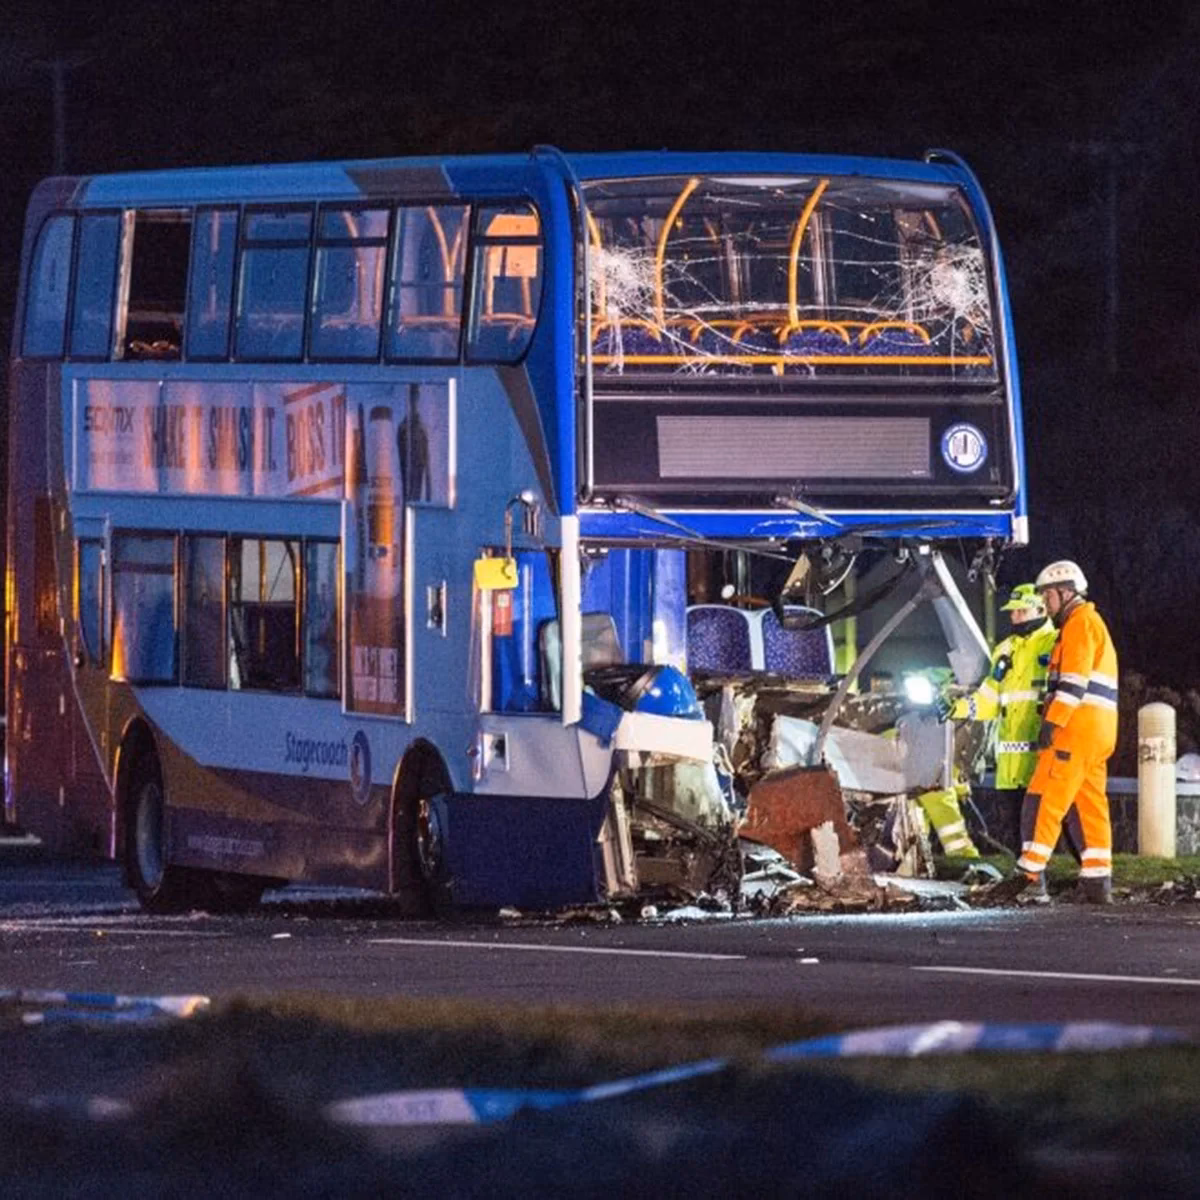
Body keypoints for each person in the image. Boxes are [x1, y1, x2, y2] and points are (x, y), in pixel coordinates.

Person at [946, 583, 1084, 861]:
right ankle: (1032, 879)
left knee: (1060, 822)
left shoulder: (1057, 642)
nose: (1015, 617)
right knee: (1020, 828)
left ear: (1040, 609)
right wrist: (956, 709)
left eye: (1021, 611)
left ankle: (1078, 873)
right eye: (1012, 612)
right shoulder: (1005, 649)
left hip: (1044, 754)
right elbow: (989, 696)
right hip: (1011, 763)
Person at [1013, 560, 1119, 904]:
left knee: (1043, 798)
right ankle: (1097, 881)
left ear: (1066, 592)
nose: (1045, 603)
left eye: (1048, 596)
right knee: (1090, 804)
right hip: (1099, 732)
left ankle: (1031, 878)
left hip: (1075, 728)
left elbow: (1073, 681)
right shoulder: (1090, 623)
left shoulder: (1079, 624)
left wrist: (1052, 721)